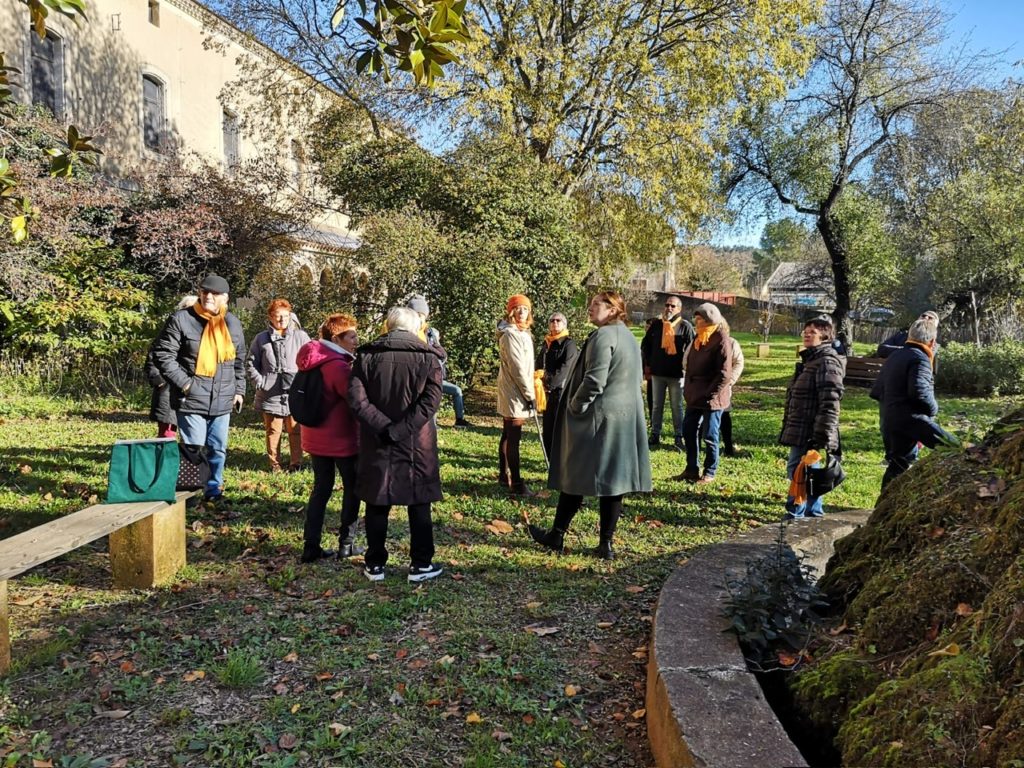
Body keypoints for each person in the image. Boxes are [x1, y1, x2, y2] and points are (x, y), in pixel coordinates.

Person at [529, 291, 652, 560]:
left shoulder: (604, 336)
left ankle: (558, 534)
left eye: (597, 304)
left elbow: (595, 380)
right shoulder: (629, 337)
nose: (590, 307)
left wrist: (575, 406)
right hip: (623, 419)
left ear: (613, 310)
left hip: (598, 420)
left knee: (576, 474)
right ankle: (604, 544)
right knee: (614, 482)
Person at [348, 306, 445, 583]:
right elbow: (431, 401)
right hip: (416, 441)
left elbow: (357, 400)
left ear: (389, 326)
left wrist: (385, 428)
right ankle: (421, 563)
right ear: (416, 328)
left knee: (378, 498)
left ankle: (375, 563)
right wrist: (400, 429)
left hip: (378, 438)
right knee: (419, 500)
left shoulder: (366, 356)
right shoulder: (428, 358)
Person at [153, 274, 245, 503]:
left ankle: (213, 491)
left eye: (215, 293)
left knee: (218, 448)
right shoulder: (181, 319)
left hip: (223, 398)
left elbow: (239, 360)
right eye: (205, 292)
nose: (208, 297)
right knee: (193, 448)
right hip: (191, 398)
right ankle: (191, 493)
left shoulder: (232, 323)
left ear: (225, 298)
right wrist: (185, 384)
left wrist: (239, 390)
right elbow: (163, 355)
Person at [294, 313, 363, 563]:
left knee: (321, 490)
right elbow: (355, 400)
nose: (356, 341)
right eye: (352, 337)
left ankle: (310, 546)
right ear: (337, 339)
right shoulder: (337, 366)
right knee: (352, 489)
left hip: (314, 437)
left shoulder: (311, 358)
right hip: (341, 440)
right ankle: (347, 543)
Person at [870, 316, 955, 489]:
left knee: (898, 463)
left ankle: (885, 502)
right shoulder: (920, 358)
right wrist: (933, 409)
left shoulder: (896, 355)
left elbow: (877, 389)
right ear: (932, 342)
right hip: (911, 418)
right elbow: (919, 392)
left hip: (890, 416)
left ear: (909, 336)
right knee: (953, 446)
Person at [779, 314, 845, 519]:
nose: (806, 335)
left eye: (812, 332)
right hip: (801, 426)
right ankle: (812, 512)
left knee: (801, 471)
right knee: (805, 470)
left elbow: (830, 402)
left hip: (811, 429)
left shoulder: (826, 362)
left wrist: (822, 435)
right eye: (805, 332)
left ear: (825, 337)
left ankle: (796, 514)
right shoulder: (810, 360)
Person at [246, 299, 311, 473]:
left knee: (295, 429)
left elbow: (311, 361)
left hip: (295, 393)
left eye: (286, 316)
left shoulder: (301, 337)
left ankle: (296, 463)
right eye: (278, 316)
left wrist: (304, 383)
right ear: (270, 317)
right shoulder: (261, 339)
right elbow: (251, 363)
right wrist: (260, 382)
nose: (282, 320)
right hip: (270, 393)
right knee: (273, 430)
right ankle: (274, 464)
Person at [678, 303, 732, 484]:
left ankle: (709, 471)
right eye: (696, 318)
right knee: (688, 430)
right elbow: (690, 365)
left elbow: (724, 374)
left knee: (710, 435)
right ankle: (691, 468)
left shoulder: (721, 339)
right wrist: (688, 390)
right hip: (694, 395)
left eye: (700, 318)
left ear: (710, 320)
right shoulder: (699, 337)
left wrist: (710, 394)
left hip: (712, 398)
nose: (696, 321)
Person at [406, 294, 470, 427]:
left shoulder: (430, 333)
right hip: (413, 376)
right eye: (416, 314)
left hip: (434, 374)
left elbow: (442, 354)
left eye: (422, 315)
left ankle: (458, 420)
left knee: (453, 391)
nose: (419, 318)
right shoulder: (406, 332)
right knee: (428, 396)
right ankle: (430, 425)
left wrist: (433, 351)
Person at [641, 294, 695, 451]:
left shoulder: (685, 326)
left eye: (673, 306)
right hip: (657, 373)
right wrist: (649, 364)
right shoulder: (657, 325)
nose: (669, 308)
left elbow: (692, 350)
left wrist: (687, 369)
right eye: (667, 305)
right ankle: (655, 434)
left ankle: (679, 436)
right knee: (656, 406)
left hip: (676, 375)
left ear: (679, 309)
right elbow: (646, 345)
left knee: (676, 407)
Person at [496, 294, 537, 496]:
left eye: (525, 308)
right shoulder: (511, 335)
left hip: (518, 390)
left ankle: (504, 476)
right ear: (511, 311)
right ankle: (517, 484)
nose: (522, 312)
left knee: (508, 433)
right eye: (518, 308)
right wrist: (530, 395)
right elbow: (517, 368)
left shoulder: (524, 333)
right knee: (513, 436)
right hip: (515, 391)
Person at [145, 295, 197, 438]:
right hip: (168, 389)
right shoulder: (169, 330)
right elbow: (154, 357)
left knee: (193, 432)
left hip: (192, 389)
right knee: (167, 431)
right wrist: (159, 381)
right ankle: (165, 452)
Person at [535, 311, 578, 460]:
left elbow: (566, 369)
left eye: (558, 320)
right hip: (546, 393)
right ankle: (549, 459)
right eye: (552, 320)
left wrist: (548, 381)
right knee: (548, 429)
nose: (555, 323)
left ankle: (562, 461)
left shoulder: (569, 344)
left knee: (560, 429)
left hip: (561, 392)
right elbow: (539, 364)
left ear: (564, 324)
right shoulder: (546, 343)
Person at [719, 336, 745, 456]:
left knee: (724, 415)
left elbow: (739, 362)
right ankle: (696, 446)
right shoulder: (700, 339)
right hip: (702, 386)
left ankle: (728, 447)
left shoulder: (731, 342)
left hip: (722, 386)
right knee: (700, 416)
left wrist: (730, 380)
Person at [876, 310, 940, 358]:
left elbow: (921, 356)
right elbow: (882, 349)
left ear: (935, 325)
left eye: (930, 318)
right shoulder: (901, 335)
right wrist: (906, 350)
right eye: (923, 316)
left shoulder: (933, 344)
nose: (925, 318)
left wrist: (902, 350)